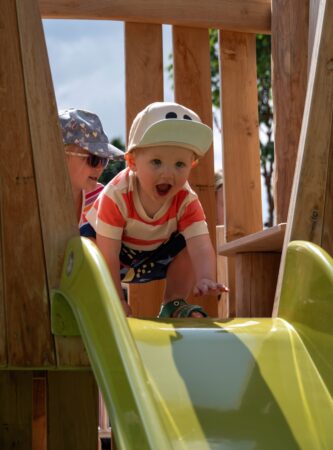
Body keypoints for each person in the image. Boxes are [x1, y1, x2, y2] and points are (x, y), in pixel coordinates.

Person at [87, 101, 229, 318]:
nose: (168, 173)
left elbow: (200, 246)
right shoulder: (116, 195)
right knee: (88, 245)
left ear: (192, 164)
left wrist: (205, 276)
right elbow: (108, 256)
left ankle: (173, 303)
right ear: (132, 162)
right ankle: (99, 302)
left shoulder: (186, 200)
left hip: (153, 258)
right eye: (156, 162)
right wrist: (117, 300)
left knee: (187, 243)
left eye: (179, 164)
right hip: (112, 253)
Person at [58, 108, 124, 231]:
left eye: (104, 159)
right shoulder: (39, 200)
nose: (100, 167)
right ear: (62, 155)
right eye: (93, 159)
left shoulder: (100, 198)